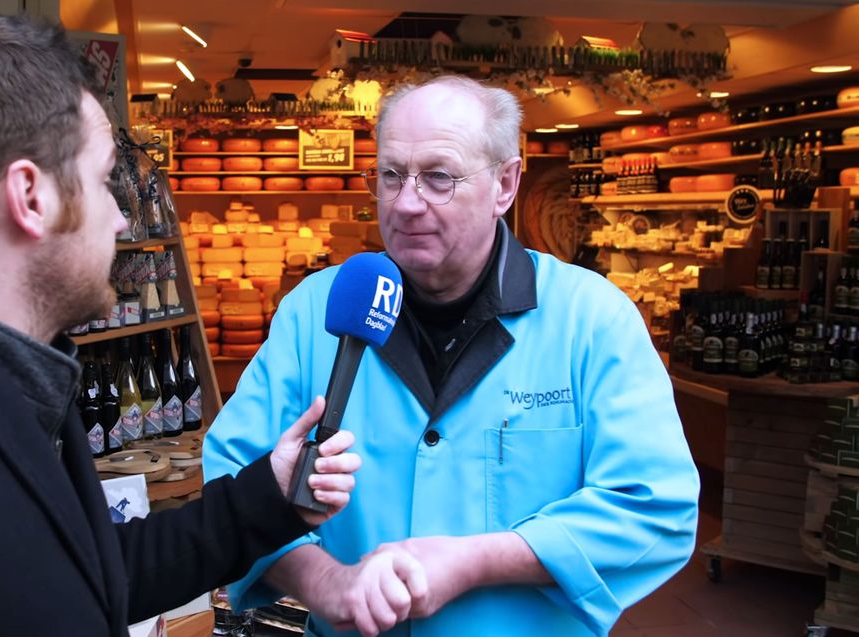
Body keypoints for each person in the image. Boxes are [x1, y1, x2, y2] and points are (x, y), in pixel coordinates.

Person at [0, 12, 361, 635]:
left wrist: (266, 498)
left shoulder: (12, 388)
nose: (119, 218)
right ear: (31, 198)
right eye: (103, 180)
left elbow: (87, 572)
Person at [203, 74, 700, 637]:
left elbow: (655, 505)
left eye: (439, 178)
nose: (407, 203)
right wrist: (325, 583)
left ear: (506, 185)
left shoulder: (593, 321)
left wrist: (476, 561)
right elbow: (230, 476)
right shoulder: (311, 315)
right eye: (390, 175)